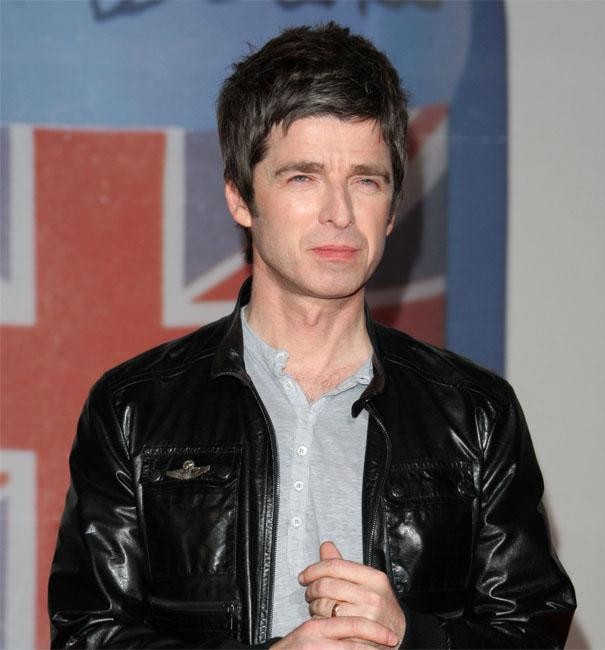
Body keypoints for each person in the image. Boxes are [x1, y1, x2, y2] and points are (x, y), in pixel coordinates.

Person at [49, 22, 576, 649]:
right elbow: (87, 635)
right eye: (303, 177)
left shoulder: (476, 414)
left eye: (366, 180)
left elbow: (532, 630)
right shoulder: (133, 409)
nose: (340, 214)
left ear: (392, 206)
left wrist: (413, 638)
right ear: (240, 197)